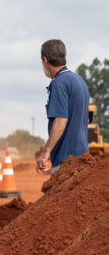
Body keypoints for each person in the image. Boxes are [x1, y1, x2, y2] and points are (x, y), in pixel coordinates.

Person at [36, 39, 89, 174]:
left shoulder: (59, 83)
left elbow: (61, 119)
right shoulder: (79, 81)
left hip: (65, 159)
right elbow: (85, 120)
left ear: (45, 60)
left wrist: (45, 152)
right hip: (83, 157)